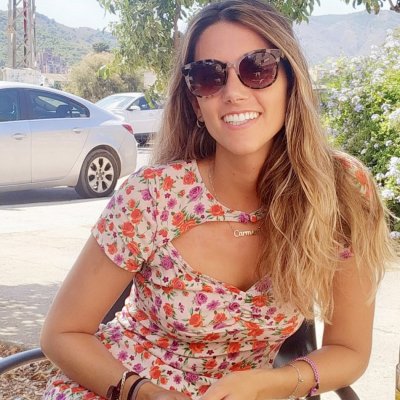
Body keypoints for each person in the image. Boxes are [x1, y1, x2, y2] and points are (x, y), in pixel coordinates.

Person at [40, 1, 394, 399]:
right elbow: (62, 333)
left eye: (257, 68)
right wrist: (147, 393)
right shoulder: (152, 197)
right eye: (209, 76)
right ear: (196, 102)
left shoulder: (341, 190)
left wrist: (273, 383)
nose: (233, 93)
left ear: (291, 81)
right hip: (125, 387)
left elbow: (349, 349)